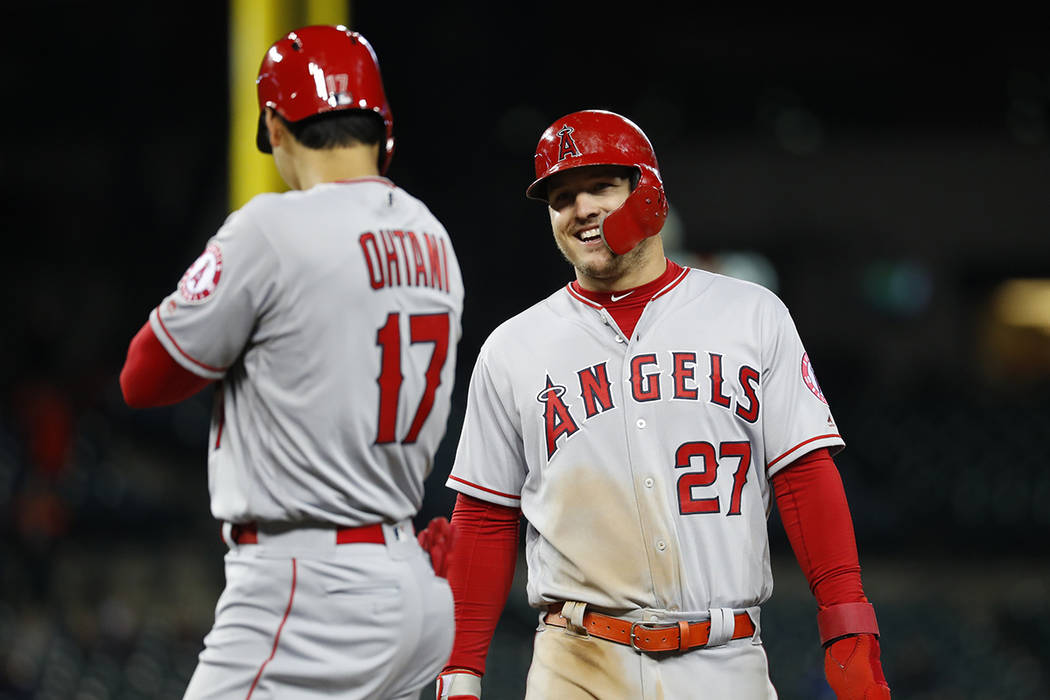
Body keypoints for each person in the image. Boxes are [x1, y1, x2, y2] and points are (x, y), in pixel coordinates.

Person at [435, 110, 890, 699]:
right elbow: (485, 517)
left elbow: (804, 477)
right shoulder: (513, 347)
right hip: (576, 663)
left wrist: (848, 626)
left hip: (724, 659)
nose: (581, 209)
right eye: (561, 197)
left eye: (602, 187)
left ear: (649, 192)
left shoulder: (750, 315)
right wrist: (460, 671)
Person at [119, 25, 464, 699]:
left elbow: (143, 377)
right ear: (380, 126)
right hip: (411, 580)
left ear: (275, 125)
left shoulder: (271, 229)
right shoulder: (432, 236)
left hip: (308, 586)